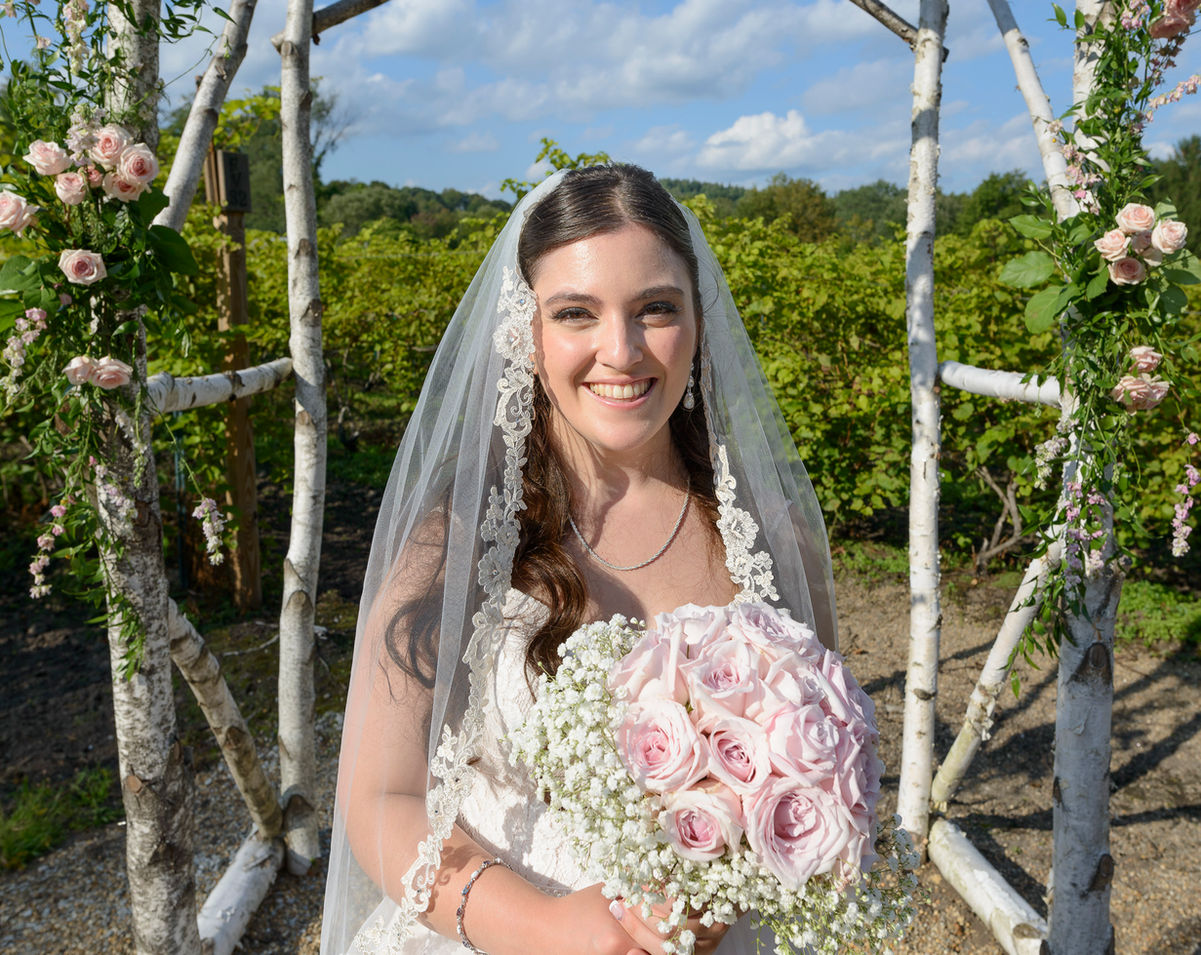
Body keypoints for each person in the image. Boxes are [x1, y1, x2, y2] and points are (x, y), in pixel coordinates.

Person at [320, 164, 839, 955]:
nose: (620, 351)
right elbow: (377, 797)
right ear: (525, 334)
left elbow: (819, 766)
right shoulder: (454, 541)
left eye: (654, 309)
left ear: (698, 322)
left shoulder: (770, 542)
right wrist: (540, 926)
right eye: (575, 313)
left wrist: (735, 887)